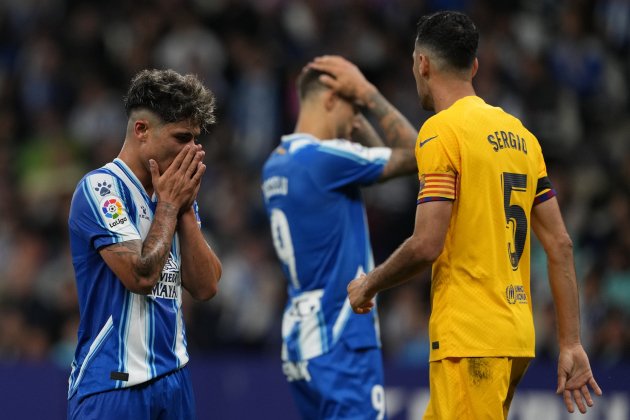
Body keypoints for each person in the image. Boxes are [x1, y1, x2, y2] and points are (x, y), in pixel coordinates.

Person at [347, 11, 602, 419]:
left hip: (470, 340)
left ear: (423, 64)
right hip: (514, 335)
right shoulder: (522, 136)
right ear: (475, 67)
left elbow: (427, 244)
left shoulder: (440, 131)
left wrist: (369, 285)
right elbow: (560, 243)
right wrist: (571, 342)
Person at [261, 56, 418, 419]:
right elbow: (417, 155)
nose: (356, 119)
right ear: (331, 98)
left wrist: (356, 123)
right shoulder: (326, 159)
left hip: (302, 341)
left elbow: (380, 169)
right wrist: (370, 93)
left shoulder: (276, 163)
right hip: (342, 338)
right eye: (354, 107)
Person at [67, 69, 222, 419]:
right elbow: (141, 276)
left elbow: (206, 285)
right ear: (142, 130)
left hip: (175, 379)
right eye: (182, 137)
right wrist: (169, 206)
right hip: (113, 384)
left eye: (197, 139)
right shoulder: (100, 189)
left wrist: (182, 210)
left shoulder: (174, 194)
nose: (194, 152)